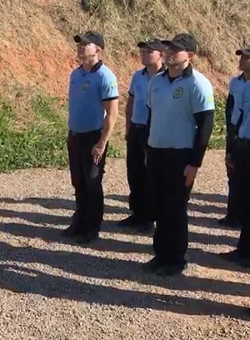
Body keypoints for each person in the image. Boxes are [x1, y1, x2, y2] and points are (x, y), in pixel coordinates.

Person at [143, 33, 215, 276]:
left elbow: (205, 125)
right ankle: (161, 254)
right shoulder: (156, 82)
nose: (170, 51)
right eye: (169, 47)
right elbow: (152, 117)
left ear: (190, 55)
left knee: (175, 207)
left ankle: (176, 258)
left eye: (177, 48)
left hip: (180, 155)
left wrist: (195, 163)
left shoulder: (197, 83)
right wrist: (148, 148)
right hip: (156, 152)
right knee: (159, 205)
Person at [63, 30, 119, 244]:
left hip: (93, 137)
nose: (80, 47)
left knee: (92, 183)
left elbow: (112, 113)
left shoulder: (105, 76)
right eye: (79, 43)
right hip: (75, 135)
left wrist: (101, 143)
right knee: (78, 181)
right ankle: (80, 222)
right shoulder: (76, 74)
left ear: (98, 49)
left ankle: (92, 227)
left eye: (85, 44)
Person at [119, 38, 166, 234]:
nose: (144, 54)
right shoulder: (138, 76)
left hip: (153, 130)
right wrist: (128, 127)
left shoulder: (166, 78)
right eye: (143, 51)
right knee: (134, 173)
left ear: (161, 54)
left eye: (149, 51)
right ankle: (137, 213)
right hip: (137, 129)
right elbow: (130, 103)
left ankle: (149, 218)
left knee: (150, 176)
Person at [218, 48, 250, 228]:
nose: (242, 60)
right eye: (242, 57)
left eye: (247, 58)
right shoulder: (235, 83)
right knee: (232, 172)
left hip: (246, 132)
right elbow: (230, 107)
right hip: (235, 130)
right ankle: (233, 213)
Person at [224, 72, 250, 268]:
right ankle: (244, 248)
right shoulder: (247, 87)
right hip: (245, 144)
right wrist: (232, 149)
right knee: (244, 198)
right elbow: (237, 118)